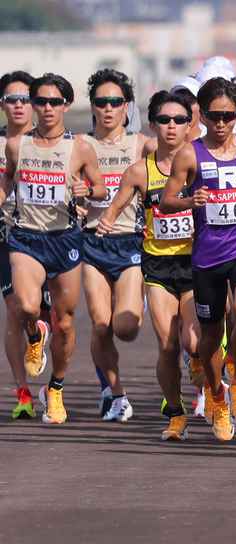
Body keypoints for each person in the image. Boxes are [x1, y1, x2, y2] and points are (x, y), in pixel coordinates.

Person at [160, 76, 236, 441]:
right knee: (210, 336)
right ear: (203, 115)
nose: (221, 123)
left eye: (228, 115)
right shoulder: (189, 153)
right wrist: (188, 202)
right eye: (214, 115)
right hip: (207, 255)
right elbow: (167, 200)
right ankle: (218, 396)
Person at [3, 73, 108, 424]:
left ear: (66, 105)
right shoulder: (17, 146)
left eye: (53, 102)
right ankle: (35, 334)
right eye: (40, 102)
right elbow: (7, 180)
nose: (46, 108)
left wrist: (86, 192)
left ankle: (56, 387)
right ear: (34, 106)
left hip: (64, 239)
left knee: (64, 323)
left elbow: (100, 190)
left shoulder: (79, 147)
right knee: (28, 306)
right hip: (26, 237)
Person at [98, 88, 200, 440]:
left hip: (197, 262)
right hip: (157, 265)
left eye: (179, 120)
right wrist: (106, 220)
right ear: (153, 124)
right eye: (164, 120)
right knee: (168, 344)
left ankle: (215, 387)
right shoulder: (140, 171)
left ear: (190, 124)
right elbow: (114, 208)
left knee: (195, 342)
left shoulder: (201, 164)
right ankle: (175, 412)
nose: (171, 127)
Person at [81, 69, 151, 424]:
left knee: (126, 327)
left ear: (127, 107)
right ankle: (114, 391)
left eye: (115, 102)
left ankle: (134, 298)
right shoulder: (81, 145)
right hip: (93, 242)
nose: (108, 109)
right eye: (101, 102)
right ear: (92, 106)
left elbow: (175, 165)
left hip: (130, 243)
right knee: (99, 323)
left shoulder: (141, 145)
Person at [0, 70, 42, 420]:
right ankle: (23, 392)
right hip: (6, 238)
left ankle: (53, 384)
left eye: (25, 99)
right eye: (11, 99)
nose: (18, 105)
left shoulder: (52, 142)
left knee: (47, 315)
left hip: (48, 237)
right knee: (15, 308)